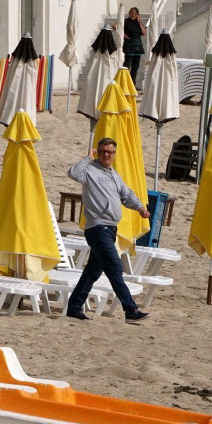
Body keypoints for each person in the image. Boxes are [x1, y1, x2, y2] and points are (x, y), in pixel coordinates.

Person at [65, 138, 150, 322]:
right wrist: (87, 158)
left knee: (93, 271)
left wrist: (140, 208)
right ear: (98, 151)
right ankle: (131, 310)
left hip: (110, 228)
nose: (106, 155)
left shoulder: (114, 174)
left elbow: (126, 194)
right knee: (114, 266)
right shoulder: (89, 170)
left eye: (110, 152)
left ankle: (73, 307)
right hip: (97, 227)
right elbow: (73, 173)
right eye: (103, 151)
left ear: (114, 154)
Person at [122, 7, 146, 77]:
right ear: (129, 13)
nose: (133, 15)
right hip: (129, 46)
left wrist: (139, 22)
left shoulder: (138, 23)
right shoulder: (126, 21)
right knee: (126, 66)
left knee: (135, 67)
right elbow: (115, 26)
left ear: (137, 15)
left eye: (135, 13)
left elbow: (144, 33)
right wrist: (122, 34)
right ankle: (125, 84)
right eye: (132, 13)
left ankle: (133, 84)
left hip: (138, 46)